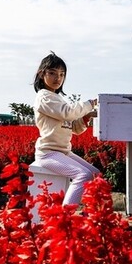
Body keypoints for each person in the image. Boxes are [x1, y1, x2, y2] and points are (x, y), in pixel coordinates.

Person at [32, 52, 100, 207]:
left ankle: (92, 217)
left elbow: (74, 127)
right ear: (41, 74)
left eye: (62, 74)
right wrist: (89, 103)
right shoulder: (44, 97)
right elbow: (68, 113)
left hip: (63, 152)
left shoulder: (57, 99)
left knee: (96, 175)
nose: (58, 78)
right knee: (83, 175)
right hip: (48, 153)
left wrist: (85, 117)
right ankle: (64, 219)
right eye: (52, 73)